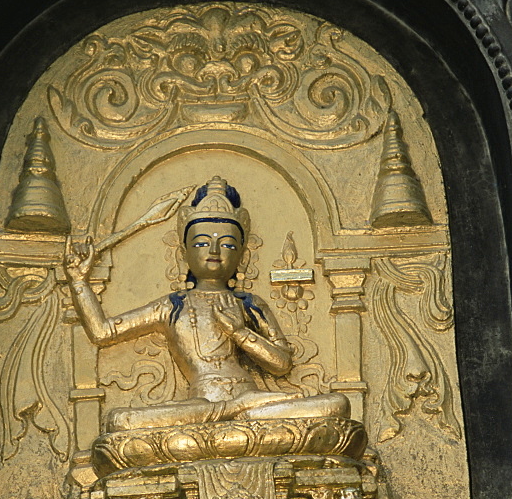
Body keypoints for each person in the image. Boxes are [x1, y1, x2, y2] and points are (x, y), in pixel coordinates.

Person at [65, 176, 349, 432]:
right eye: (201, 244)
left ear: (242, 255)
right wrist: (79, 282)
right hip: (203, 406)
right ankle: (232, 410)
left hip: (256, 405)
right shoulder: (172, 306)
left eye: (227, 244)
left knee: (336, 406)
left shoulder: (249, 303)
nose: (214, 251)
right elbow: (103, 332)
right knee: (120, 421)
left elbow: (282, 364)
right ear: (184, 252)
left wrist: (241, 333)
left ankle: (240, 408)